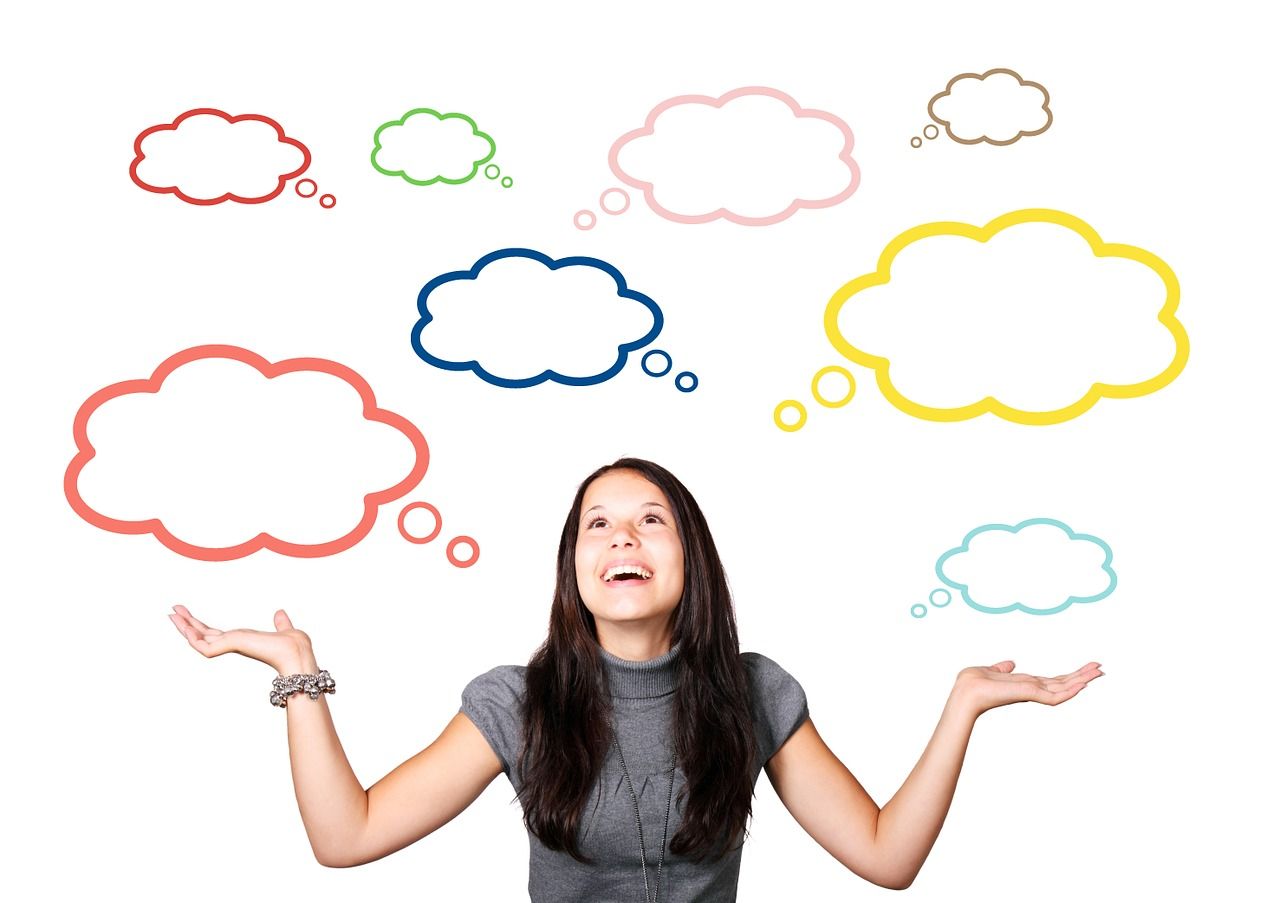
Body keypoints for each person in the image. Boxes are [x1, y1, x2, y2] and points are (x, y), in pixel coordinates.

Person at [169, 457, 1102, 901]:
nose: (622, 536)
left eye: (651, 520)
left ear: (690, 556)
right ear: (573, 564)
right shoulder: (516, 703)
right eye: (597, 523)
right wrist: (300, 675)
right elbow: (348, 836)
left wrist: (963, 706)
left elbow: (886, 858)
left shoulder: (755, 693)